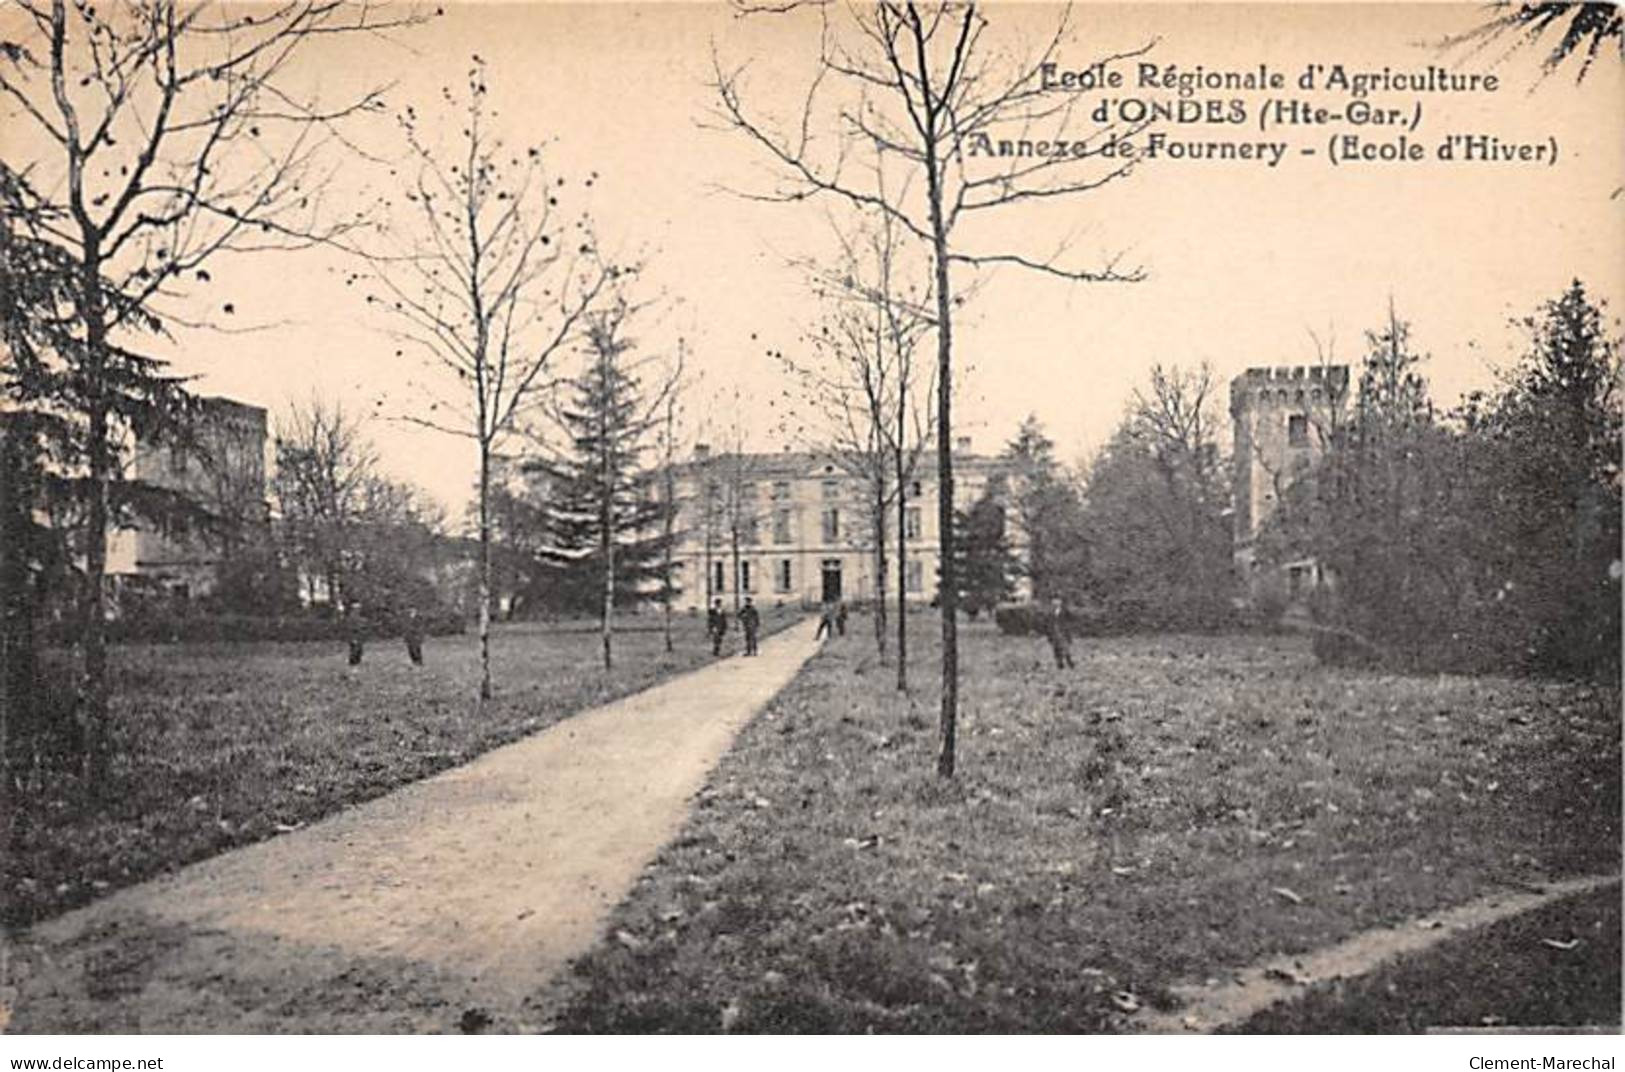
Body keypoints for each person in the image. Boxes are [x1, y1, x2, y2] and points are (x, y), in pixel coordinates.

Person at [1045, 596, 1075, 670]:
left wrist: (1067, 628)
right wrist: (1049, 632)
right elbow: (1048, 622)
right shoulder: (1050, 611)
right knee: (1056, 648)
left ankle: (1069, 661)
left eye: (1057, 600)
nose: (1055, 602)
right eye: (1054, 600)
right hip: (1054, 632)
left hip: (1063, 631)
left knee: (1065, 647)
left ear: (1060, 602)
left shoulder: (1065, 611)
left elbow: (1071, 619)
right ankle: (1059, 663)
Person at [344, 600, 365, 667]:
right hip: (354, 635)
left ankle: (357, 663)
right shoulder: (351, 617)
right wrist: (353, 638)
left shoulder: (358, 617)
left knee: (359, 650)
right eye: (357, 608)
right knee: (355, 650)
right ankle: (352, 663)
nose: (358, 610)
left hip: (358, 635)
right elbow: (350, 628)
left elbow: (360, 626)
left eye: (359, 608)